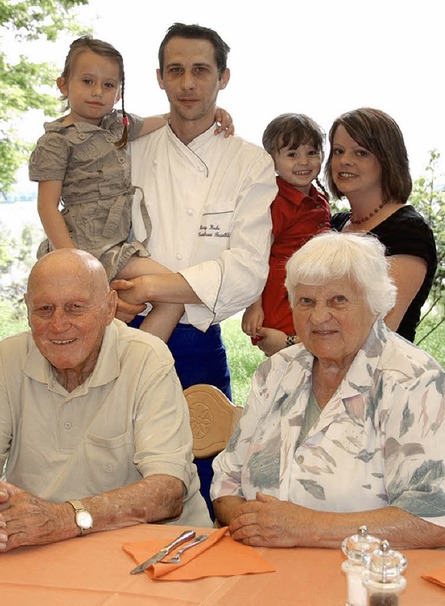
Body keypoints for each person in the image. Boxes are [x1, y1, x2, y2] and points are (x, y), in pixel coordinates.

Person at [211, 231, 445, 550]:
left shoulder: (414, 380)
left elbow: (437, 521)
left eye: (338, 300)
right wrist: (260, 526)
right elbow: (227, 485)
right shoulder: (276, 371)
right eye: (306, 301)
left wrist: (306, 529)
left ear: (374, 302)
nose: (318, 316)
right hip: (273, 570)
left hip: (385, 579)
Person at [112, 23, 277, 515]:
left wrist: (150, 285)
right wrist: (118, 291)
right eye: (176, 71)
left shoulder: (249, 162)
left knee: (208, 483)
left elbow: (248, 271)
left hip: (195, 342)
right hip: (121, 328)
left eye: (200, 70)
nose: (188, 83)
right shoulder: (126, 153)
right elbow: (90, 230)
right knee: (119, 473)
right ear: (159, 78)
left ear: (223, 78)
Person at [0, 248, 211, 555]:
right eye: (45, 309)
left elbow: (168, 492)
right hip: (44, 549)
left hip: (159, 551)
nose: (58, 324)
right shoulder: (9, 357)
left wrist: (65, 518)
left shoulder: (147, 358)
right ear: (27, 310)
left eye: (75, 308)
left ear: (109, 307)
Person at [28, 36, 232, 343]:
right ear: (63, 84)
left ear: (119, 91)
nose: (98, 92)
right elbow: (47, 207)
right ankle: (130, 370)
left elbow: (168, 119)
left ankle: (137, 367)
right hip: (84, 246)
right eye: (87, 81)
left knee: (170, 294)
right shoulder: (57, 141)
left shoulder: (119, 125)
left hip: (119, 245)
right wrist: (77, 265)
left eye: (109, 85)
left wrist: (215, 113)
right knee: (160, 294)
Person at [327, 107, 437, 342]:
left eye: (361, 153)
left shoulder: (408, 232)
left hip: (380, 374)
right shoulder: (332, 225)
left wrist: (290, 342)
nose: (345, 161)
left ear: (387, 159)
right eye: (338, 151)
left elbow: (376, 329)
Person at [242, 113, 331, 356]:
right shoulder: (274, 200)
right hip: (280, 291)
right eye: (292, 154)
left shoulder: (318, 197)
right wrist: (253, 305)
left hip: (310, 289)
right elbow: (255, 253)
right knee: (286, 361)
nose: (303, 161)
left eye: (312, 152)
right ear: (272, 161)